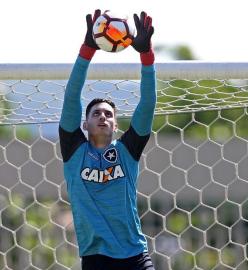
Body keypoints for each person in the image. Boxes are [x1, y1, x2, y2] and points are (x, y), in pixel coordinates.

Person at [59, 9, 156, 270]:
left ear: (115, 125)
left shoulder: (127, 152)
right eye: (96, 113)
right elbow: (71, 98)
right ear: (85, 123)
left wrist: (146, 55)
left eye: (108, 114)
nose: (102, 116)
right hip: (96, 258)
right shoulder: (73, 150)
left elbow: (147, 105)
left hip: (135, 255)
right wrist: (87, 49)